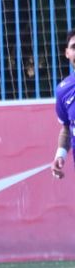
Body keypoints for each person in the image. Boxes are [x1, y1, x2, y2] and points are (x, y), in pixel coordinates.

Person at [50, 30, 75, 179]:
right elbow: (67, 127)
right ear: (67, 53)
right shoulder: (62, 90)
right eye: (74, 47)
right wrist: (60, 155)